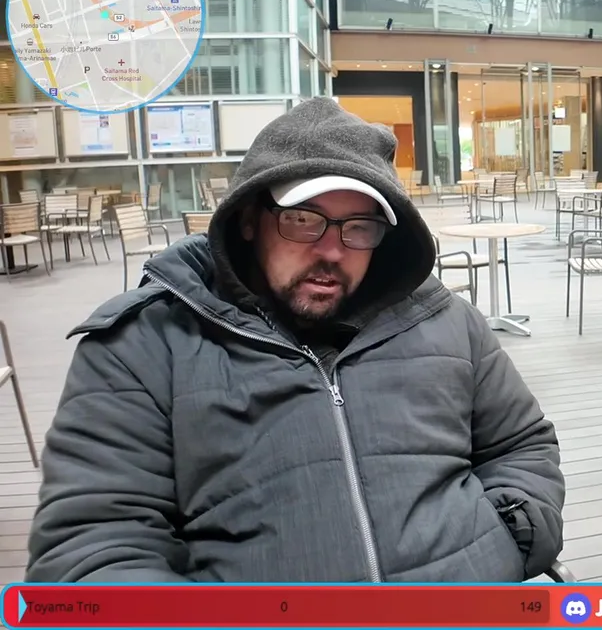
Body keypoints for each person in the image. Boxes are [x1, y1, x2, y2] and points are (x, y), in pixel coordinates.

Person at [27, 98, 565, 583]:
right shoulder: (142, 347)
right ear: (248, 219)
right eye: (303, 219)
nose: (331, 250)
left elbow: (521, 445)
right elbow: (91, 549)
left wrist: (503, 546)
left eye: (359, 227)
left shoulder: (446, 321)